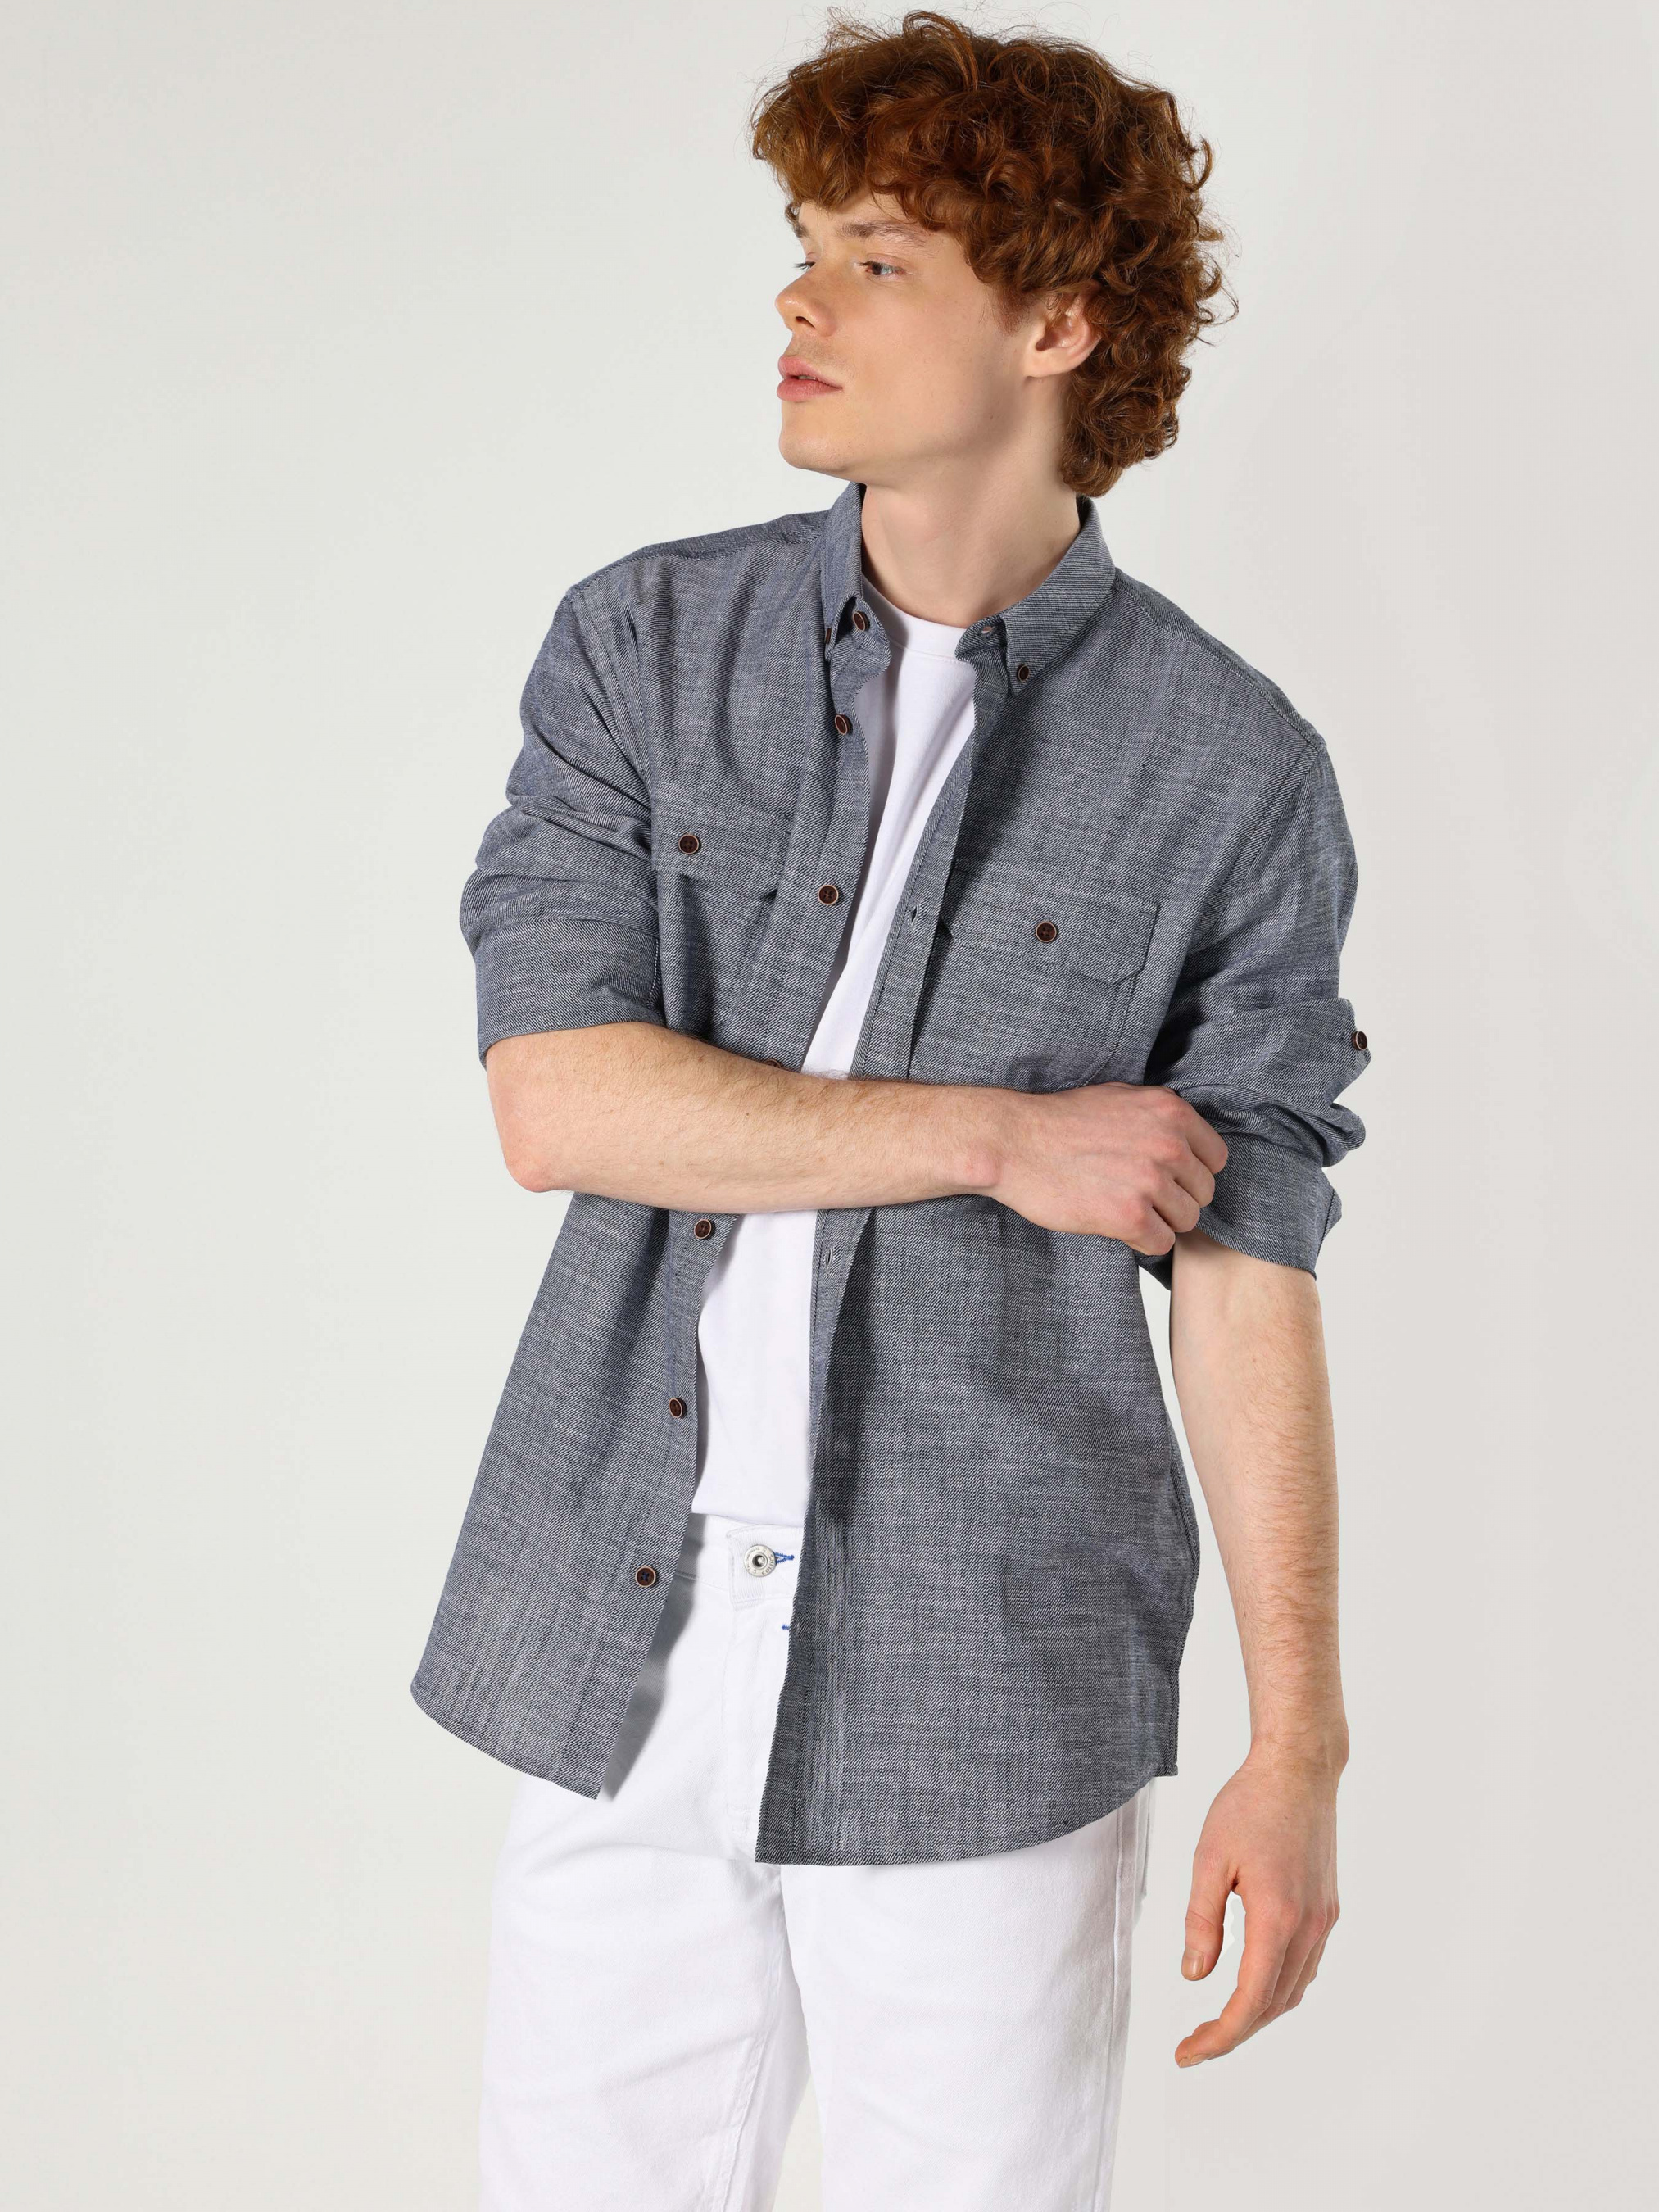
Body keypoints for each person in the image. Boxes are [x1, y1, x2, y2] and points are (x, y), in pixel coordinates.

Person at [411, 11, 1371, 2208]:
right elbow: (559, 1099)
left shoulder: (1233, 771)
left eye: (874, 260)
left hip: (987, 1662)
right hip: (617, 1635)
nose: (799, 298)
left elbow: (1247, 1263)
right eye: (804, 244)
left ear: (1052, 322)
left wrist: (1298, 1741)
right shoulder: (643, 649)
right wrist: (1003, 1137)